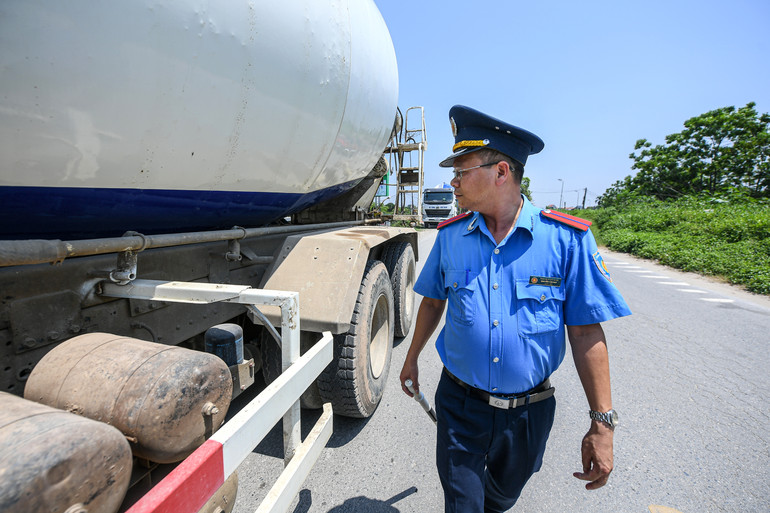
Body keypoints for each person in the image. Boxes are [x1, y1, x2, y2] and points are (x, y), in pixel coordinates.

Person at [399, 105, 631, 513]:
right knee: (464, 505)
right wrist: (412, 356)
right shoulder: (451, 237)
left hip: (528, 415)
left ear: (501, 172)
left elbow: (584, 331)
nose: (453, 182)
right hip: (460, 404)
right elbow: (433, 301)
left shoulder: (566, 240)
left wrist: (603, 423)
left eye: (461, 171)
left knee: (501, 499)